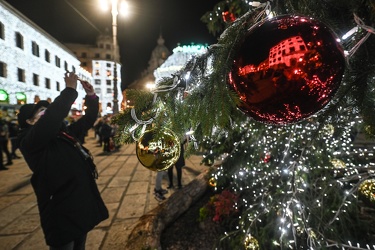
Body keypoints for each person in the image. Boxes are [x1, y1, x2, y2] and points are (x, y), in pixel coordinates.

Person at [17, 72, 108, 250]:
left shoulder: (63, 135)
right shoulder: (30, 142)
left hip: (79, 205)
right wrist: (69, 90)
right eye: (41, 114)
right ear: (29, 121)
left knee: (80, 245)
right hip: (60, 211)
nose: (47, 115)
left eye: (46, 111)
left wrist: (91, 96)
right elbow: (51, 119)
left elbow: (89, 119)